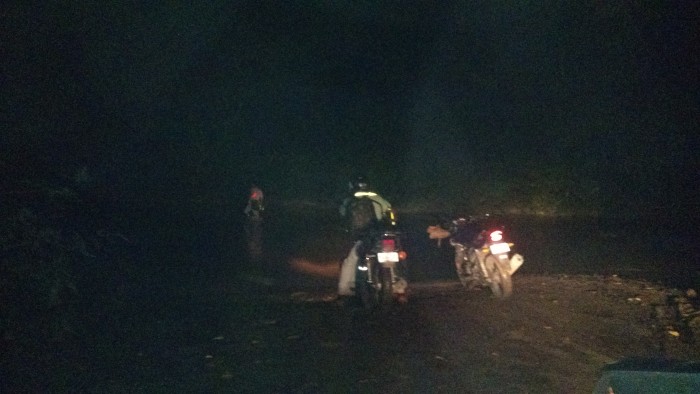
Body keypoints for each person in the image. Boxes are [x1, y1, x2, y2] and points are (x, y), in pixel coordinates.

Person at [337, 177, 407, 303]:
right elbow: (390, 213)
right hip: (383, 236)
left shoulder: (350, 201)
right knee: (397, 257)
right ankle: (400, 289)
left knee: (351, 260)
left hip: (364, 237)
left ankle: (344, 291)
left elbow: (342, 216)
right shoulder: (379, 199)